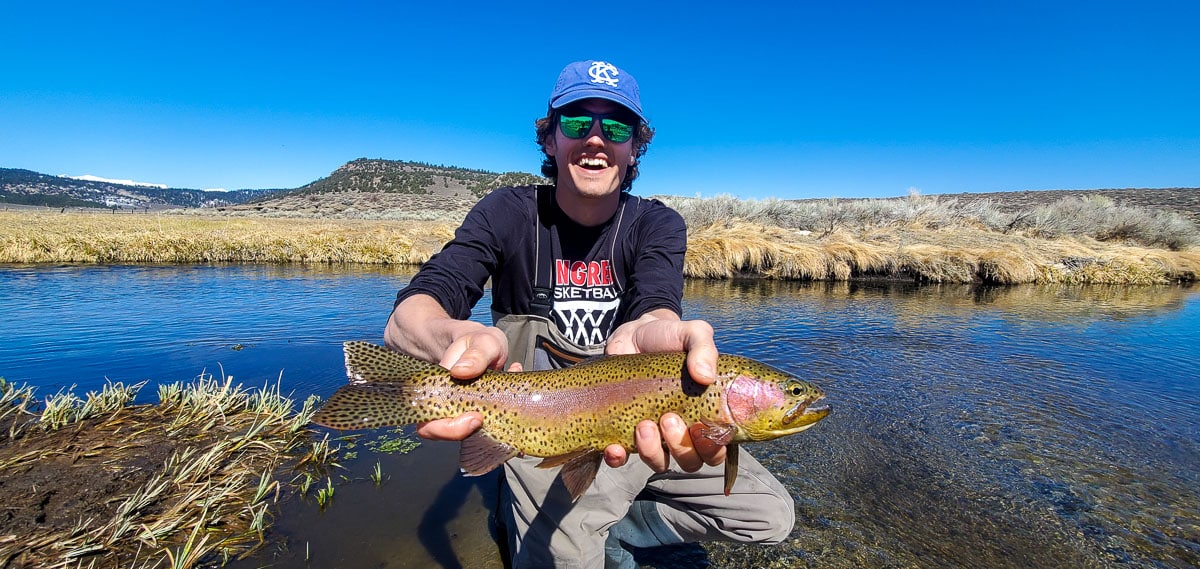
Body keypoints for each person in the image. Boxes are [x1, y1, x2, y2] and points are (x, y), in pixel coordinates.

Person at [384, 59, 794, 568]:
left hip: (645, 420)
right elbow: (412, 314)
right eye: (578, 122)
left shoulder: (657, 224)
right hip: (537, 423)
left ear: (634, 146)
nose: (595, 138)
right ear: (551, 139)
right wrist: (456, 341)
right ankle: (525, 518)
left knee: (769, 516)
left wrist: (650, 330)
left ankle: (624, 527)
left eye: (616, 126)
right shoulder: (507, 214)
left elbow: (654, 311)